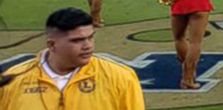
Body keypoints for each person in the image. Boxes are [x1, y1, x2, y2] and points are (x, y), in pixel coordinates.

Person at [0, 8, 145, 109]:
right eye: (77, 40)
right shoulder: (12, 81)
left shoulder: (120, 77)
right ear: (52, 44)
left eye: (90, 38)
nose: (87, 46)